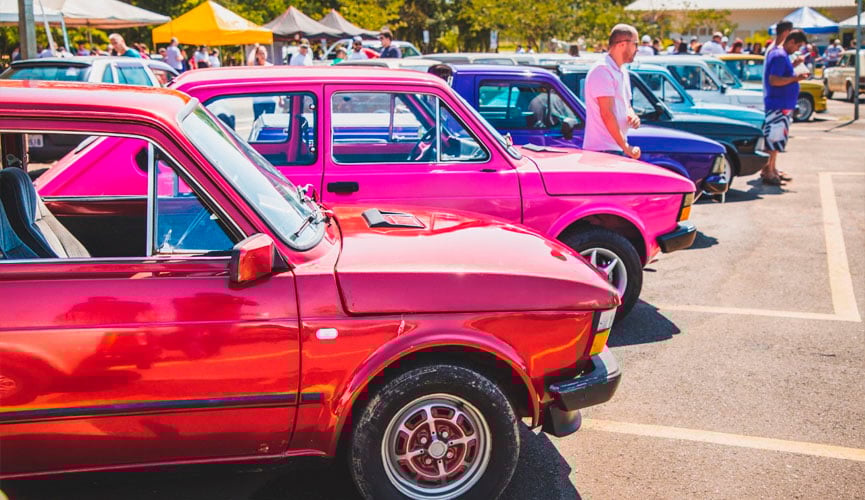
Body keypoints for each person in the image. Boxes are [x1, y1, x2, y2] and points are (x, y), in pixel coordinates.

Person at [583, 24, 641, 159]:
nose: (637, 49)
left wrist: (633, 117)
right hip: (602, 151)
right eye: (635, 44)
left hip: (614, 149)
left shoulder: (622, 70)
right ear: (622, 44)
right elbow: (607, 113)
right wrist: (626, 147)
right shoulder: (602, 70)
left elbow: (626, 105)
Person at [760, 30, 809, 186]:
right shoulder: (780, 55)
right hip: (778, 106)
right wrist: (796, 78)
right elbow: (774, 80)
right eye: (797, 46)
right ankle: (768, 171)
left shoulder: (781, 55)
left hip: (781, 105)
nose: (797, 50)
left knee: (776, 141)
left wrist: (793, 66)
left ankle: (772, 169)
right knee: (773, 140)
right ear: (791, 41)